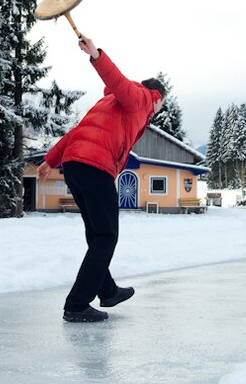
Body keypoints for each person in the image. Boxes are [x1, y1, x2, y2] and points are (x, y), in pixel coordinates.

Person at [37, 35, 165, 322]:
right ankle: (77, 303)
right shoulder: (142, 99)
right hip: (95, 166)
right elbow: (118, 80)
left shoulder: (108, 103)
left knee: (97, 234)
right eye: (161, 107)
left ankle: (106, 290)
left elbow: (76, 133)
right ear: (158, 98)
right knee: (106, 236)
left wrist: (50, 159)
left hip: (75, 164)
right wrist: (96, 54)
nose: (157, 113)